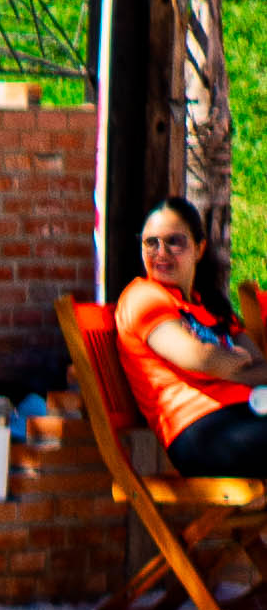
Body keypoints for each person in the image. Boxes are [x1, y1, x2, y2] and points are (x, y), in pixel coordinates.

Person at [112, 197, 267, 479]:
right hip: (202, 430)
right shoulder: (143, 297)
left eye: (174, 241)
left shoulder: (210, 305)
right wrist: (234, 363)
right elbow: (196, 358)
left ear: (199, 248)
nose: (161, 252)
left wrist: (229, 366)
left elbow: (261, 367)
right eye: (151, 243)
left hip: (246, 414)